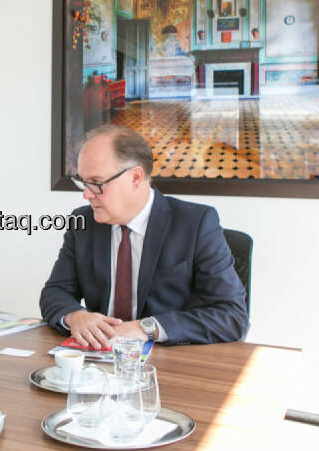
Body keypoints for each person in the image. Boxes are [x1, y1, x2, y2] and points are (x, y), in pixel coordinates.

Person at [40, 125, 248, 347]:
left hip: (171, 364)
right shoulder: (83, 223)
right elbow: (55, 292)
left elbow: (231, 316)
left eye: (97, 183)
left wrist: (146, 328)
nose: (86, 194)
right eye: (83, 181)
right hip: (99, 363)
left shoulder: (196, 224)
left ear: (136, 177)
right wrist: (76, 316)